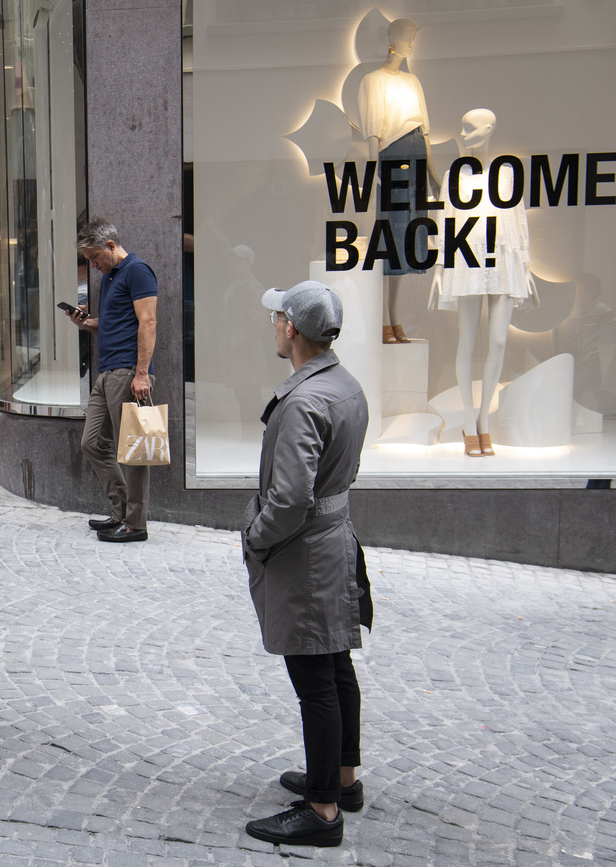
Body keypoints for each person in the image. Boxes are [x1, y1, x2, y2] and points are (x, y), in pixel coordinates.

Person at [241, 280, 371, 848]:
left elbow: (290, 499)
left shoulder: (304, 402)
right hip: (332, 539)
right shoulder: (344, 385)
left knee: (315, 678)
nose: (272, 325)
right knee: (336, 666)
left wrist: (256, 538)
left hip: (307, 553)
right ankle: (341, 780)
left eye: (277, 318)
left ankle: (322, 811)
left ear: (291, 328)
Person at [429, 109, 534, 457]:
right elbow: (445, 220)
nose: (463, 133)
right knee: (467, 342)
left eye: (470, 127)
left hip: (503, 259)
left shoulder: (507, 174)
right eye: (462, 127)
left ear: (490, 128)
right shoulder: (454, 176)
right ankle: (470, 422)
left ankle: (484, 421)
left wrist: (526, 265)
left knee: (500, 341)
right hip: (468, 259)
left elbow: (518, 219)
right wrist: (441, 266)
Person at [63, 218, 158, 543]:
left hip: (128, 373)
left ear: (110, 246)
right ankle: (121, 512)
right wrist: (85, 322)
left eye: (93, 257)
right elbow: (112, 323)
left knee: (133, 451)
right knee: (92, 443)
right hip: (106, 373)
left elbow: (148, 320)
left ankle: (136, 525)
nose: (92, 264)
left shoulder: (137, 270)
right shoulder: (110, 278)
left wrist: (142, 373)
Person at [359, 17, 438, 344]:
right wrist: (374, 174)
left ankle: (393, 318)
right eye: (406, 38)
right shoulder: (372, 81)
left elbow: (426, 132)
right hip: (393, 160)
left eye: (413, 39)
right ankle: (383, 321)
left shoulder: (413, 81)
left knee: (410, 241)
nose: (410, 44)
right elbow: (374, 134)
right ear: (392, 38)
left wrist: (434, 175)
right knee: (390, 240)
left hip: (417, 159)